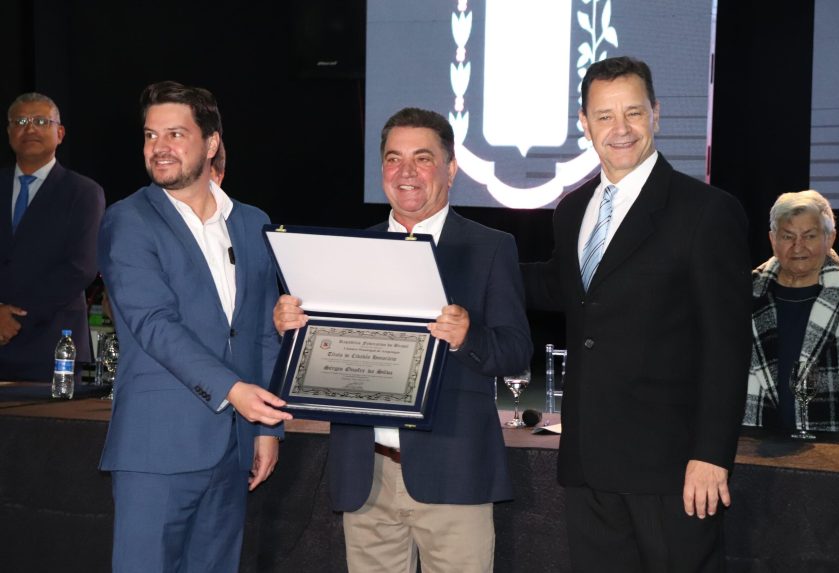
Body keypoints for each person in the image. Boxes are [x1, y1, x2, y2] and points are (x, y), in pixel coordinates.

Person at [273, 107, 532, 573]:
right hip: (366, 476)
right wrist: (293, 329)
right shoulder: (348, 251)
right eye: (394, 159)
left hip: (454, 476)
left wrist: (467, 336)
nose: (406, 172)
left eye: (423, 158)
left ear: (451, 169)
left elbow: (515, 351)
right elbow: (326, 355)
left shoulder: (491, 247)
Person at [521, 56, 751, 572]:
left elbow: (727, 346)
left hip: (672, 470)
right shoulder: (572, 210)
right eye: (605, 116)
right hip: (588, 464)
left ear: (656, 114)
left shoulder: (706, 211)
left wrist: (712, 454)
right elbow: (561, 285)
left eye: (633, 112)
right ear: (584, 123)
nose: (620, 129)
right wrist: (470, 271)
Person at [98, 81, 292, 573]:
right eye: (150, 135)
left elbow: (262, 333)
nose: (159, 147)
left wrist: (266, 427)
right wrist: (234, 391)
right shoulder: (128, 221)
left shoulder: (252, 222)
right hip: (156, 449)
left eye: (175, 134)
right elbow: (153, 324)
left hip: (233, 450)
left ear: (210, 143)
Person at [0, 93, 105, 380]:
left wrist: (12, 318)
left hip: (53, 346)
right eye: (21, 122)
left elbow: (81, 268)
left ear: (60, 133)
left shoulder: (83, 192)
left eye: (41, 121)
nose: (30, 128)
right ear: (9, 132)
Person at [745, 190, 839, 433]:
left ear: (830, 238)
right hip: (754, 442)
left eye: (809, 236)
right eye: (788, 236)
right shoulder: (742, 293)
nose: (798, 246)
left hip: (837, 445)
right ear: (773, 239)